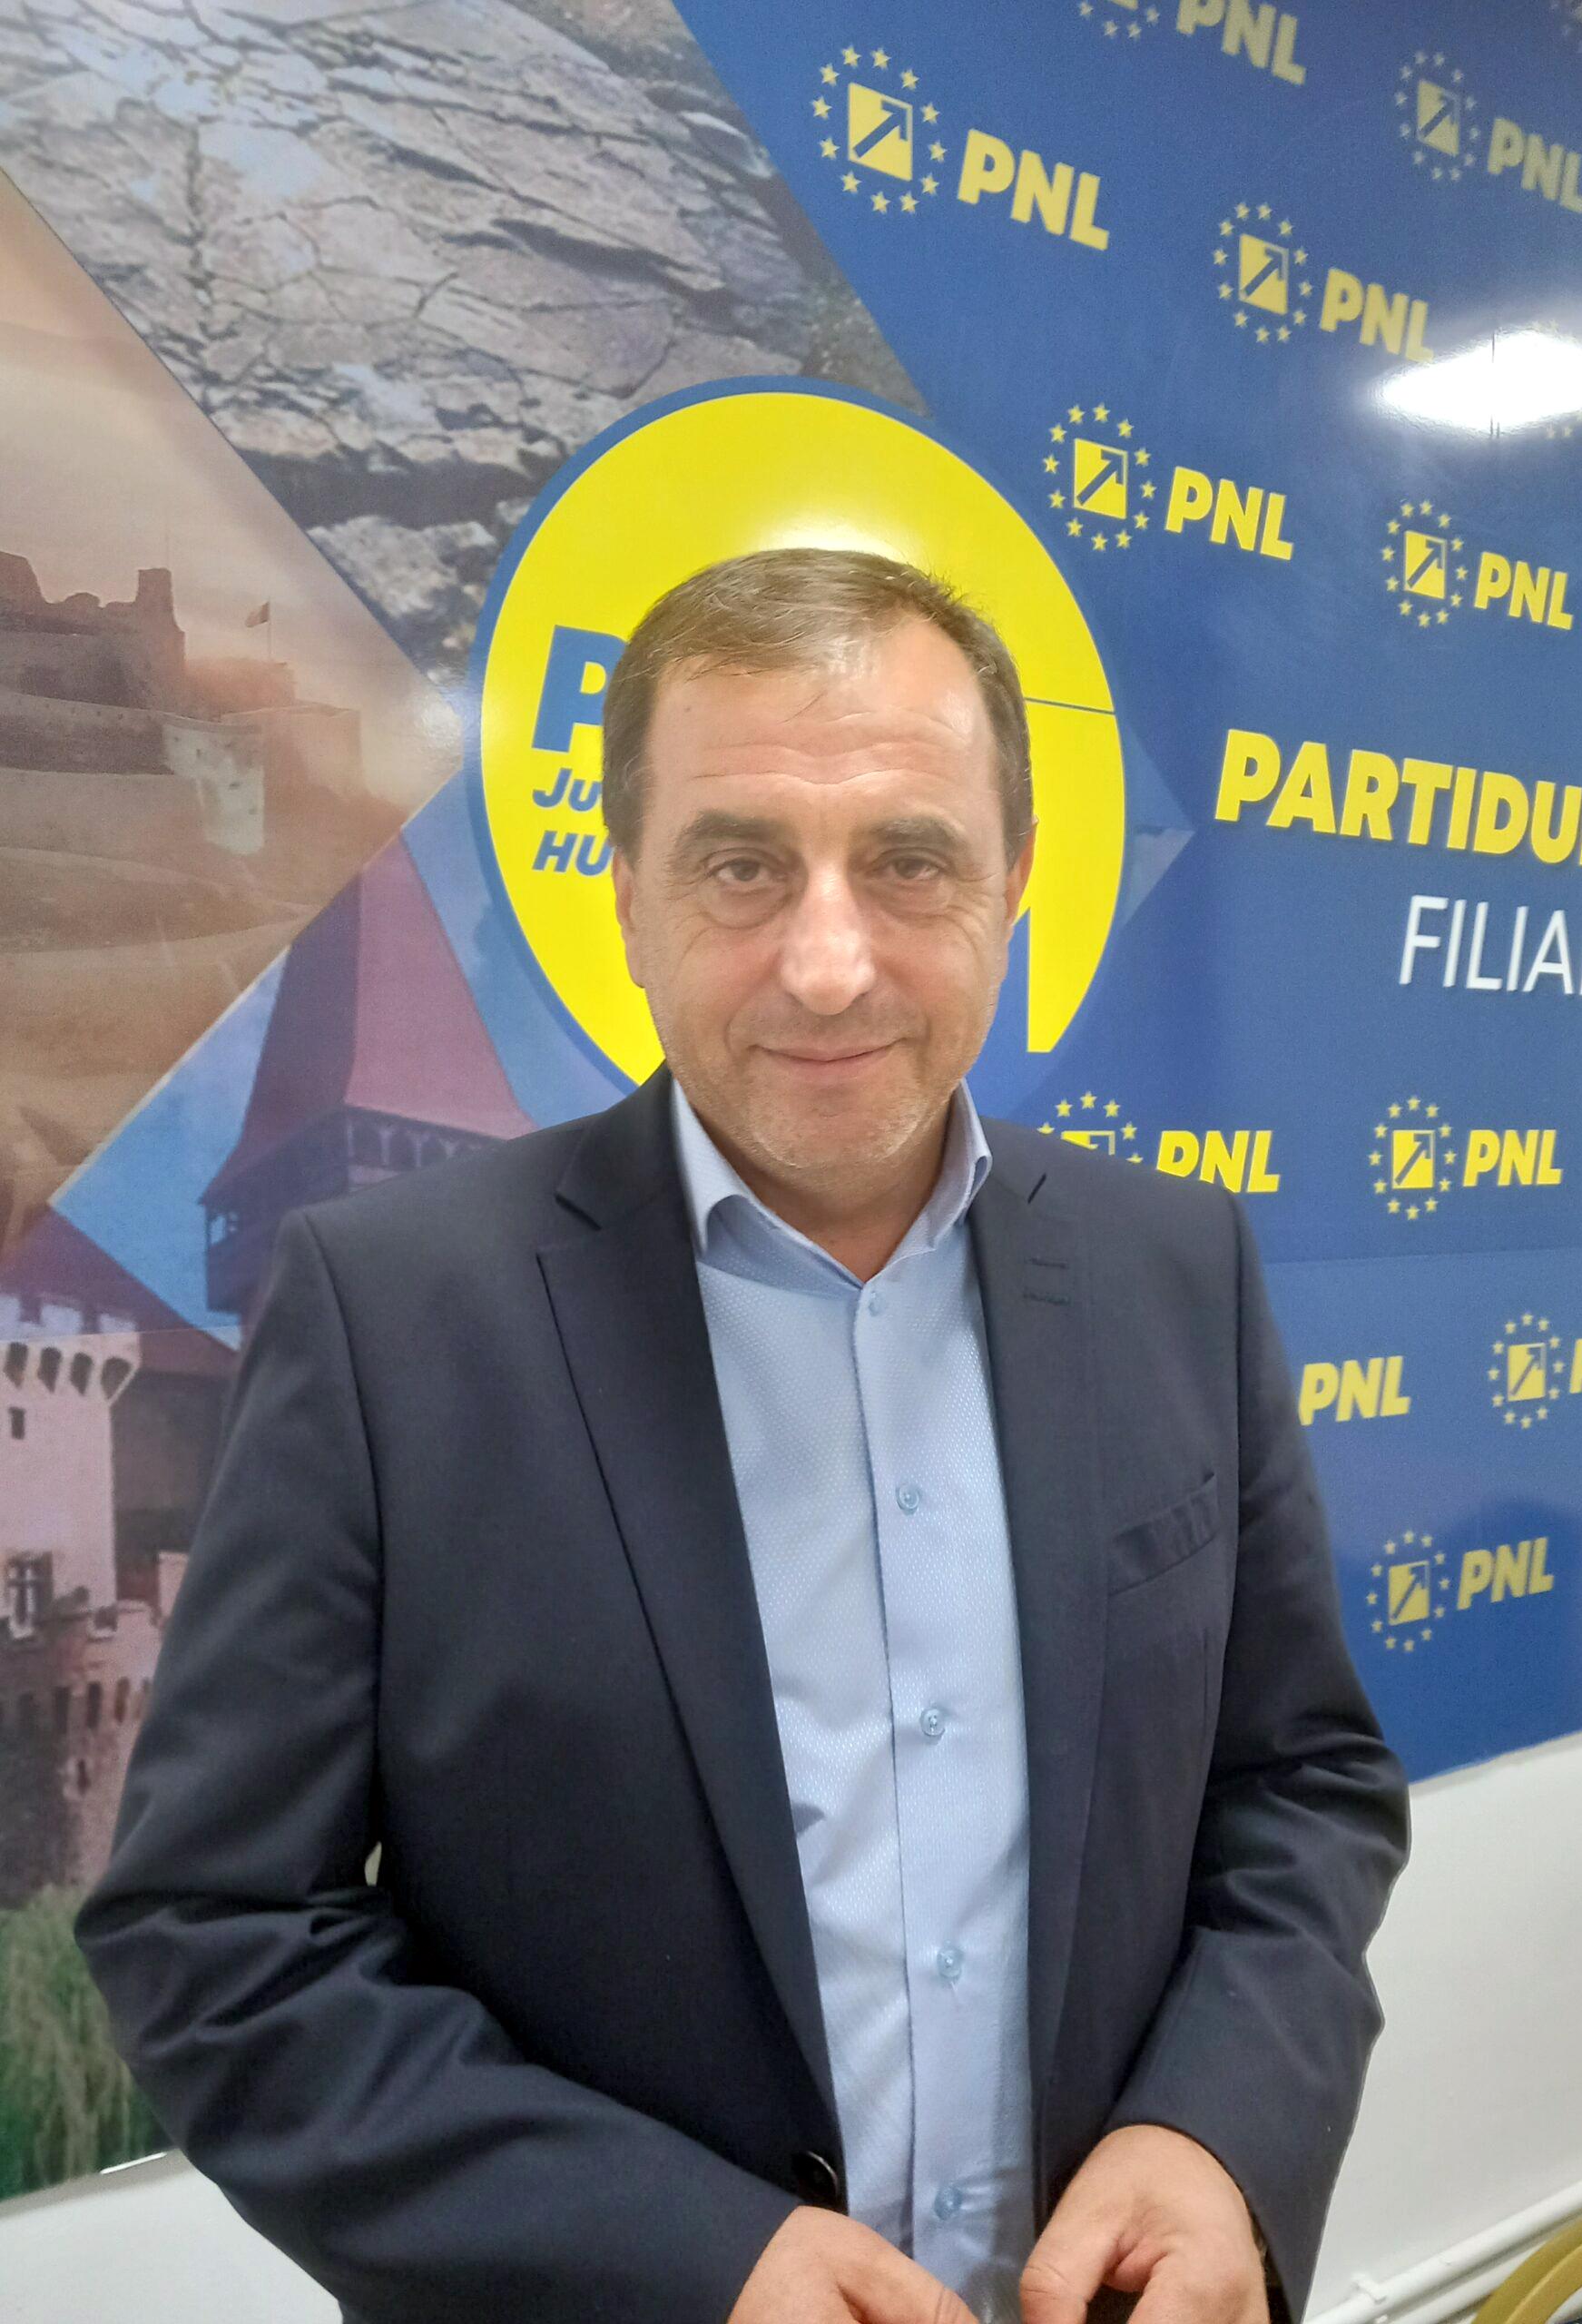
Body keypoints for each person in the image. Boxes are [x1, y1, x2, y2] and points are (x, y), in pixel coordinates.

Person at [74, 547, 1410, 2324]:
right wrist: (686, 2261)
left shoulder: (1178, 1271)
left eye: (910, 859)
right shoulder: (389, 1316)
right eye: (740, 864)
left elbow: (1298, 1787)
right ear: (627, 895)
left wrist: (1216, 2135)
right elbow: (217, 1936)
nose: (829, 964)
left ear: (1013, 882)